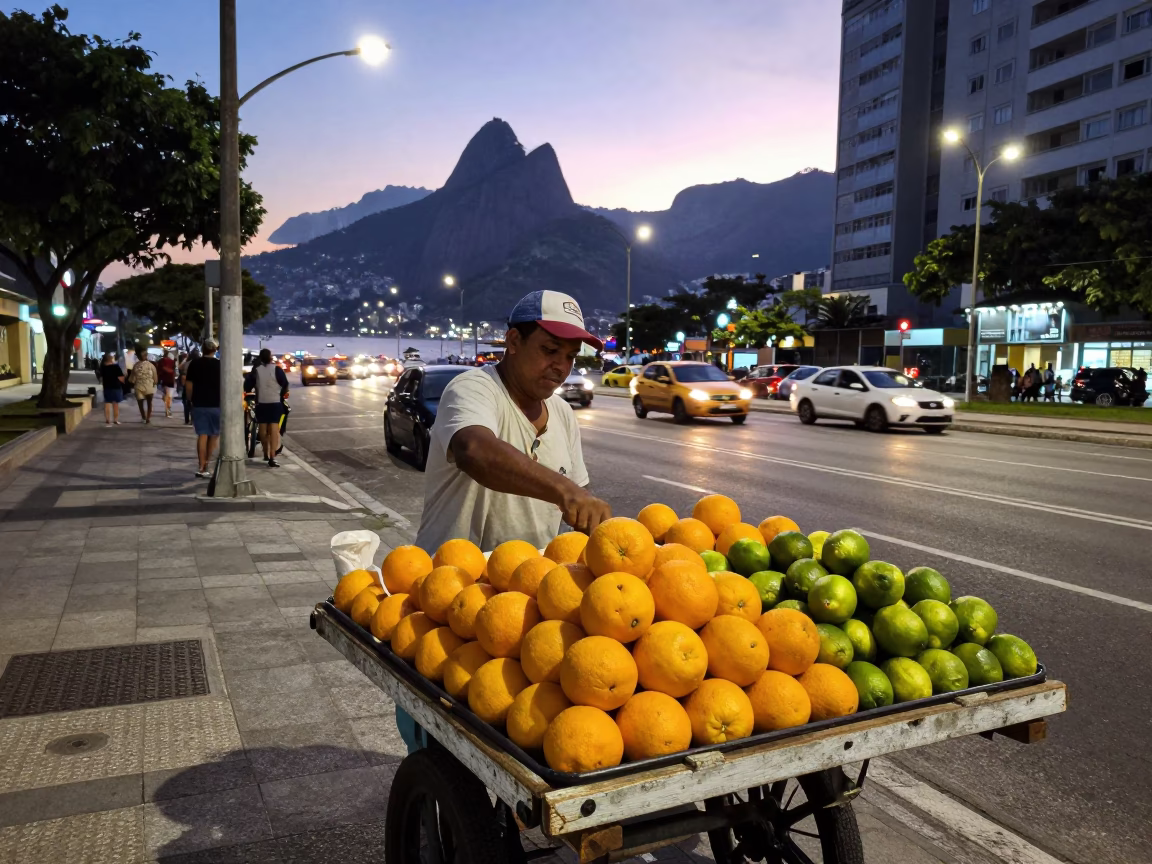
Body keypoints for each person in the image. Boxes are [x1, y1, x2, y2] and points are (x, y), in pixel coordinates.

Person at [405, 290, 612, 752]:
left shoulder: (562, 413)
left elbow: (571, 512)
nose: (560, 366)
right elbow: (473, 450)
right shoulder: (474, 389)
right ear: (513, 341)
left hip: (523, 609)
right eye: (549, 350)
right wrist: (565, 491)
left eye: (570, 356)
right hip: (453, 597)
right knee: (449, 745)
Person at [244, 348, 289, 468]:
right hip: (275, 402)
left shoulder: (256, 371)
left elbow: (247, 386)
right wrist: (280, 394)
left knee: (263, 430)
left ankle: (265, 453)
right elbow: (284, 383)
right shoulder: (277, 369)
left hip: (262, 403)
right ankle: (272, 456)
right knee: (274, 429)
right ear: (270, 357)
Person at [184, 339, 221, 479]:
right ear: (215, 350)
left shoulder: (195, 363)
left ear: (203, 349)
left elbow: (189, 384)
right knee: (214, 434)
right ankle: (207, 464)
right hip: (217, 403)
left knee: (202, 434)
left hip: (199, 403)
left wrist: (190, 399)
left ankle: (201, 466)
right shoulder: (220, 364)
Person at [129, 347, 158, 423]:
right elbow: (155, 378)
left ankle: (143, 417)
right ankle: (148, 417)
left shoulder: (135, 366)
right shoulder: (151, 365)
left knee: (140, 403)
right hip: (149, 386)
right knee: (149, 402)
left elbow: (132, 379)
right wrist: (154, 383)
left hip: (139, 386)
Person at [98, 352, 125, 426]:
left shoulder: (103, 368)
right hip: (116, 387)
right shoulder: (116, 367)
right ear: (111, 359)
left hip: (107, 387)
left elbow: (100, 378)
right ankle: (116, 420)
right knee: (115, 404)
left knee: (107, 403)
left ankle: (108, 420)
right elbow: (121, 378)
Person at [156, 349, 177, 418]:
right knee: (169, 396)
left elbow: (158, 370)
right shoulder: (172, 361)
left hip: (163, 380)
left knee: (166, 395)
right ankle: (168, 410)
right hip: (170, 380)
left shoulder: (161, 361)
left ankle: (167, 408)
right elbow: (175, 370)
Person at [179, 349, 197, 425]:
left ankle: (187, 419)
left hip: (187, 385)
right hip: (196, 386)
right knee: (194, 403)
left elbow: (180, 368)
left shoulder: (187, 363)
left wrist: (186, 359)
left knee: (186, 403)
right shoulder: (199, 363)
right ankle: (193, 419)